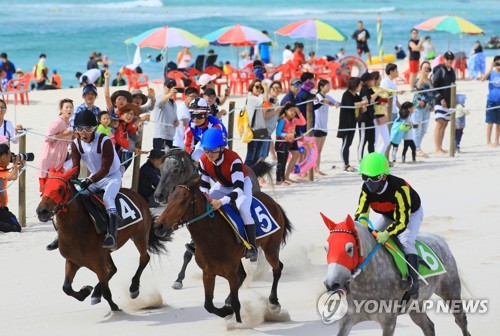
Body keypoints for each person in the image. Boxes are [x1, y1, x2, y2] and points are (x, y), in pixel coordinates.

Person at [198, 128, 258, 261]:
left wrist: (220, 202)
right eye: (206, 149)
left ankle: (252, 248)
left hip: (242, 184)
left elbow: (238, 190)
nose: (209, 154)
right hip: (222, 185)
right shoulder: (203, 160)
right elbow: (204, 185)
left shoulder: (234, 159)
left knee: (243, 209)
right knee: (203, 206)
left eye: (213, 150)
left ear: (222, 148)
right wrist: (207, 197)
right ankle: (195, 241)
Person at [69, 109, 122, 249]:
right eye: (80, 129)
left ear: (94, 128)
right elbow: (75, 168)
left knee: (108, 199)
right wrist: (69, 179)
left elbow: (105, 169)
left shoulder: (105, 141)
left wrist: (89, 180)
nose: (84, 133)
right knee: (78, 195)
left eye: (88, 129)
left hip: (112, 177)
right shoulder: (75, 144)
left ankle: (112, 235)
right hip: (94, 178)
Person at [38, 99, 74, 191]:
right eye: (67, 107)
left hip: (59, 162)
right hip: (50, 161)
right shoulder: (58, 122)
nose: (69, 109)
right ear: (61, 110)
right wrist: (64, 134)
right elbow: (47, 137)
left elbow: (67, 142)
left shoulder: (68, 123)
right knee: (47, 191)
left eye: (71, 107)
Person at [337, 77, 367, 172]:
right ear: (355, 85)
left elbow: (360, 101)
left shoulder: (355, 95)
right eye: (359, 85)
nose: (360, 87)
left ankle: (347, 163)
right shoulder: (346, 94)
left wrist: (364, 105)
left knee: (349, 143)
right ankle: (345, 165)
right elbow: (351, 105)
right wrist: (363, 103)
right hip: (345, 123)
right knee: (345, 144)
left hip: (352, 123)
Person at [275, 103, 306, 186]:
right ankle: (279, 180)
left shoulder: (295, 120)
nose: (293, 113)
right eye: (291, 110)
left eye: (294, 111)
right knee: (281, 162)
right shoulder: (282, 120)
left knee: (288, 158)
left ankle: (284, 177)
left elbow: (303, 122)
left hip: (289, 142)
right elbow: (278, 132)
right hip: (281, 142)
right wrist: (286, 135)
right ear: (286, 111)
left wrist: (299, 113)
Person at [313, 79, 339, 174]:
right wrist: (324, 102)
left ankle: (317, 169)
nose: (329, 87)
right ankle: (313, 169)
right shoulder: (317, 96)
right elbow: (316, 104)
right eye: (327, 86)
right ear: (321, 87)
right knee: (315, 150)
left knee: (319, 150)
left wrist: (335, 103)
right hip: (317, 126)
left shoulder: (327, 96)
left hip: (324, 127)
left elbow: (337, 102)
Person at [433, 51, 456, 155]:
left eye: (451, 59)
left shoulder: (452, 70)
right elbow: (435, 85)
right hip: (440, 101)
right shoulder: (440, 70)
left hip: (449, 102)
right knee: (439, 123)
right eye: (448, 59)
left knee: (445, 124)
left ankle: (441, 147)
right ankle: (437, 148)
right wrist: (441, 99)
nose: (450, 61)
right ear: (444, 59)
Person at [412, 61, 434, 157]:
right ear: (420, 69)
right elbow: (417, 87)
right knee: (417, 129)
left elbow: (432, 93)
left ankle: (416, 147)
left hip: (427, 108)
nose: (427, 70)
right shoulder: (418, 80)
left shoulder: (430, 81)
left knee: (424, 130)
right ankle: (417, 149)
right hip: (418, 107)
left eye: (428, 68)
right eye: (425, 68)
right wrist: (422, 73)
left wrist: (432, 105)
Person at [245, 79, 268, 166]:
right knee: (251, 155)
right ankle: (246, 174)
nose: (259, 89)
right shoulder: (252, 98)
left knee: (256, 155)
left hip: (259, 129)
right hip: (253, 130)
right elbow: (266, 101)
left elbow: (266, 106)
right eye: (257, 87)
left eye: (260, 87)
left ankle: (252, 175)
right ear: (252, 87)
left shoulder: (257, 98)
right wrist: (265, 88)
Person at [379, 63, 402, 153]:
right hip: (387, 112)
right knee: (386, 136)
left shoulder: (393, 83)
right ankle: (382, 155)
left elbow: (395, 100)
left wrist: (401, 109)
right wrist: (385, 110)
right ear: (391, 71)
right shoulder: (385, 81)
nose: (398, 72)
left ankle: (388, 156)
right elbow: (383, 95)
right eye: (396, 70)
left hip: (394, 112)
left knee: (392, 135)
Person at [0, 144, 22, 233]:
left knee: (11, 218)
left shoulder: (3, 169)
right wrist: (16, 165)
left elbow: (11, 175)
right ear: (4, 157)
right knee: (16, 227)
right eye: (9, 155)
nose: (11, 157)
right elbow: (13, 177)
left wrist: (16, 167)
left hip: (2, 207)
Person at [152, 78, 179, 150]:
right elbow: (159, 103)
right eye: (169, 87)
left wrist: (177, 121)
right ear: (164, 88)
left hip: (170, 136)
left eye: (173, 87)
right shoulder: (160, 97)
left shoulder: (174, 102)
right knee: (160, 159)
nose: (171, 89)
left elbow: (173, 116)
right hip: (161, 136)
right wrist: (170, 94)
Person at [357, 72, 376, 162]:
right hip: (364, 119)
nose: (374, 81)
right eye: (372, 79)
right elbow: (367, 101)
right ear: (368, 81)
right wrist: (378, 93)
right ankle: (360, 160)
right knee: (363, 140)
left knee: (371, 141)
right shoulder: (364, 90)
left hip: (371, 118)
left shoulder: (370, 89)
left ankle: (372, 159)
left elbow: (377, 97)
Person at [482, 56, 500, 147]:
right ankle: (488, 141)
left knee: (499, 123)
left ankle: (497, 141)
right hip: (491, 101)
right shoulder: (491, 73)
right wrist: (490, 68)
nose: (498, 66)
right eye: (497, 64)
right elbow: (482, 79)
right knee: (490, 122)